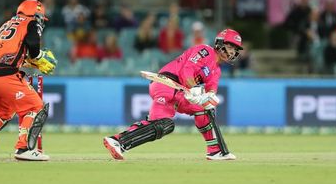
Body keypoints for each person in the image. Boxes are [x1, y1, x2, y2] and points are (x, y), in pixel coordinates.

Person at [103, 29, 243, 161]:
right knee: (163, 124)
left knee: (202, 111)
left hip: (182, 93)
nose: (232, 52)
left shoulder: (216, 71)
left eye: (235, 49)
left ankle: (215, 151)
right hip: (167, 84)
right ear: (220, 43)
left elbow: (211, 89)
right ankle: (118, 141)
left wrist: (210, 98)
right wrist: (194, 89)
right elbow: (186, 71)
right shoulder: (205, 51)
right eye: (230, 46)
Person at [0, 0, 58, 162]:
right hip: (4, 76)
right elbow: (33, 46)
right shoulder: (30, 21)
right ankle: (24, 148)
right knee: (36, 107)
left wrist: (28, 60)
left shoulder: (8, 23)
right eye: (41, 18)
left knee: (3, 111)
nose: (41, 22)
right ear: (36, 14)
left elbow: (11, 51)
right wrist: (39, 57)